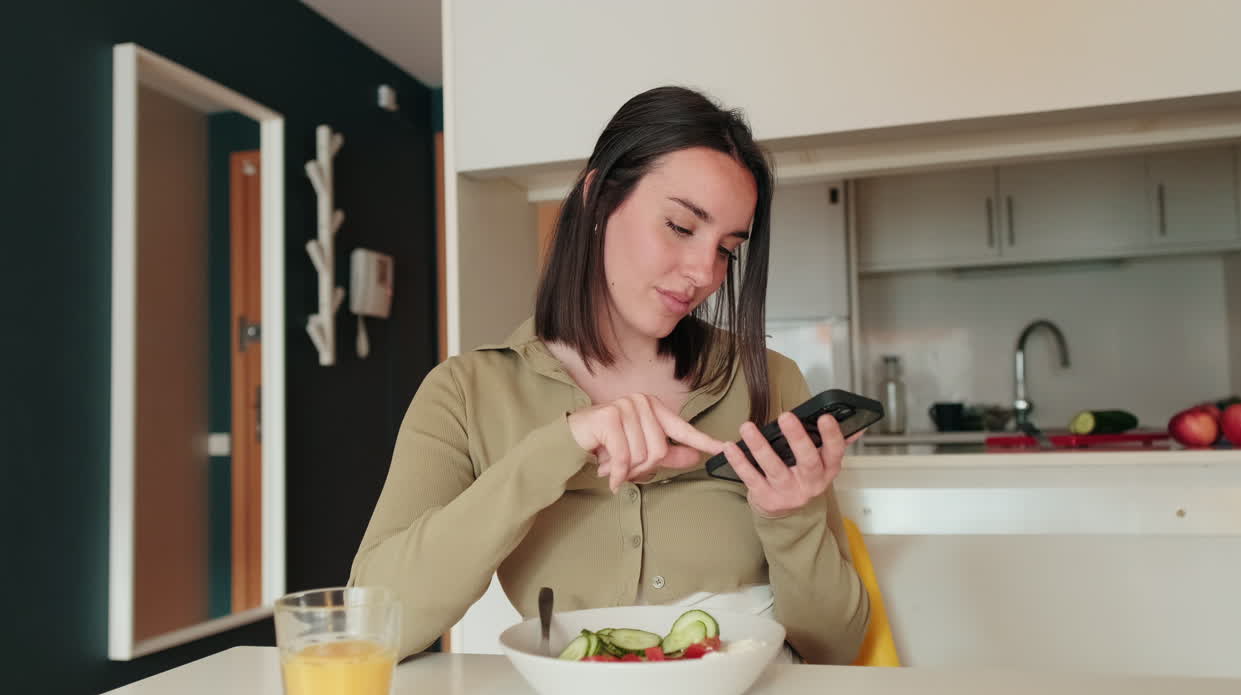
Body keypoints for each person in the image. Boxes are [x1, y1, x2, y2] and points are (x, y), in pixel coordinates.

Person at [349, 86, 870, 665]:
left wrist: (789, 518)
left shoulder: (768, 380)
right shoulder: (466, 393)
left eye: (727, 249)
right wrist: (558, 447)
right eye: (680, 226)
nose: (704, 272)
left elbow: (835, 650)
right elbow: (370, 626)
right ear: (597, 199)